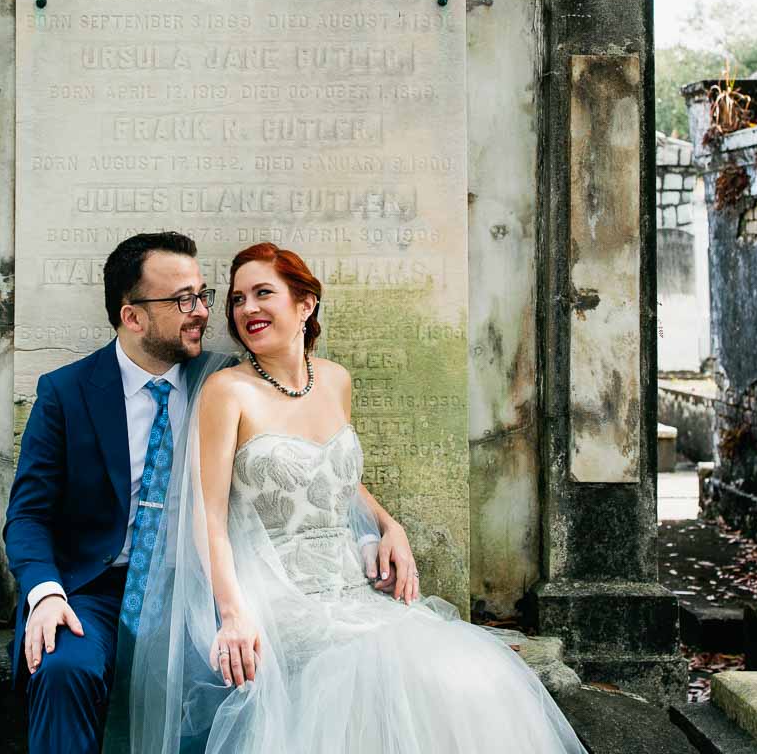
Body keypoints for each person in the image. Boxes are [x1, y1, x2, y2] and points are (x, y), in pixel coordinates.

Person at [119, 242, 589, 754]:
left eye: (263, 293)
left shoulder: (336, 380)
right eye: (236, 299)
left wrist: (391, 526)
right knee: (383, 667)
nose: (247, 309)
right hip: (276, 594)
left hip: (348, 584)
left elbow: (335, 475)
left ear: (305, 304)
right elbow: (207, 514)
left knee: (470, 675)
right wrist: (233, 614)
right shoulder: (227, 391)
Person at [4, 232, 221, 754]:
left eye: (202, 294)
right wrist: (45, 594)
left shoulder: (222, 381)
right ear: (133, 317)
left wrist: (384, 523)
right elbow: (27, 516)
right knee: (62, 667)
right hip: (93, 586)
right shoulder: (65, 392)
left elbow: (297, 450)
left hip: (190, 589)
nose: (201, 312)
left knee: (240, 673)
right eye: (182, 300)